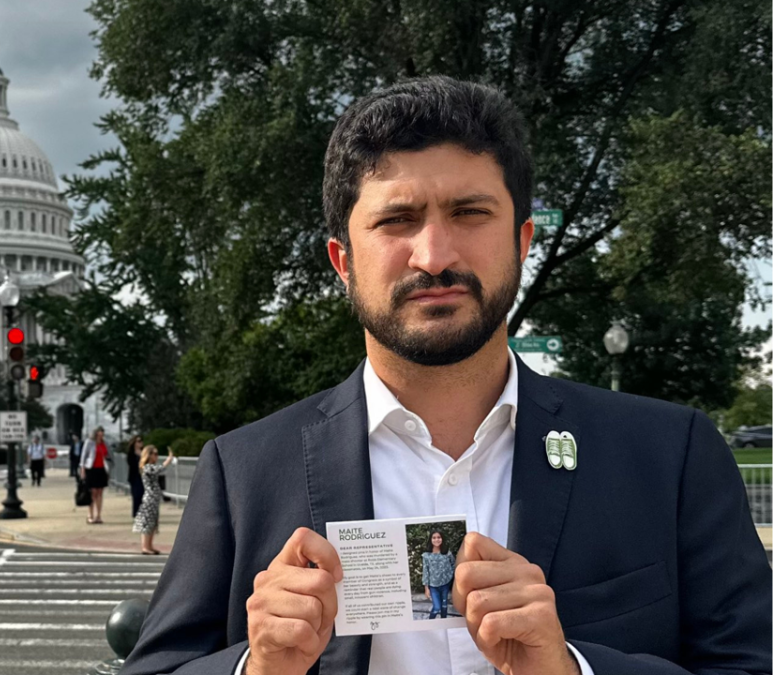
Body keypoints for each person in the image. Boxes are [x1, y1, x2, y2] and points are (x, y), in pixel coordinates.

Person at [122, 77, 771, 675]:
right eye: (396, 220)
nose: (434, 256)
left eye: (469, 212)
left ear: (522, 241)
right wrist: (257, 667)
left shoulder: (670, 455)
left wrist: (571, 668)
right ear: (343, 262)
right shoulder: (243, 473)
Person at [133, 445, 175, 555]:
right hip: (149, 498)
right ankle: (145, 547)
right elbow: (160, 469)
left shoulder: (150, 467)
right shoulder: (147, 467)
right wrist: (168, 460)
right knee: (147, 522)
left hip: (154, 498)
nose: (156, 456)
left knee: (153, 523)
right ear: (149, 455)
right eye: (155, 454)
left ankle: (149, 546)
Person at [421, 531, 455, 619]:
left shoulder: (447, 553)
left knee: (444, 606)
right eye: (434, 537)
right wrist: (426, 588)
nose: (436, 539)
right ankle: (430, 621)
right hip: (433, 586)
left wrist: (450, 575)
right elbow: (425, 571)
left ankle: (443, 622)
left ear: (442, 539)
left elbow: (453, 564)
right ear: (430, 539)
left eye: (439, 537)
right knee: (436, 607)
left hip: (445, 584)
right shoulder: (426, 555)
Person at [79, 427, 109, 524]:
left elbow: (108, 455)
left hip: (101, 469)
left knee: (100, 492)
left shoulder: (104, 443)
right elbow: (83, 456)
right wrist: (83, 469)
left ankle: (98, 515)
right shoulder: (89, 442)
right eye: (99, 435)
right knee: (92, 493)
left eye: (102, 435)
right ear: (95, 434)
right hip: (91, 469)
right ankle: (90, 514)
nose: (100, 437)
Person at [126, 434, 145, 518]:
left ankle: (143, 512)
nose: (140, 443)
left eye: (141, 441)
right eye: (138, 441)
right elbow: (131, 463)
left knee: (143, 494)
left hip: (143, 476)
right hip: (134, 476)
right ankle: (136, 512)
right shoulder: (131, 453)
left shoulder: (144, 452)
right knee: (136, 494)